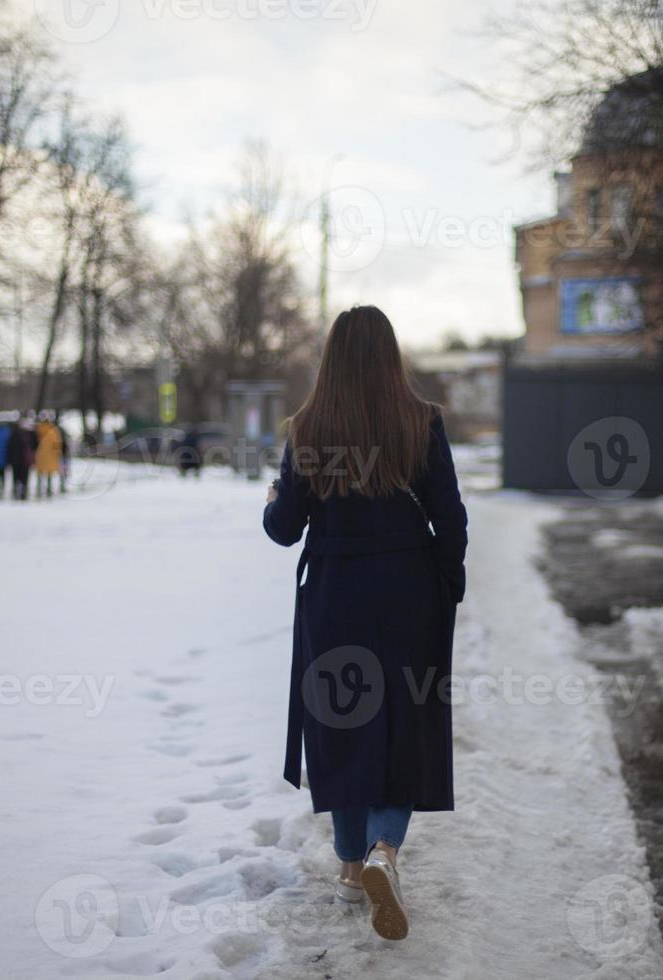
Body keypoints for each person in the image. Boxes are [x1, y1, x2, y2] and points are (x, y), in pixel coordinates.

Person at [262, 305, 467, 942]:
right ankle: (385, 852)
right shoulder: (422, 421)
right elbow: (450, 517)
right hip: (407, 592)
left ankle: (352, 866)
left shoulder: (308, 427)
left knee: (343, 723)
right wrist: (446, 591)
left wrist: (274, 498)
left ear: (332, 358)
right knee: (403, 725)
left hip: (335, 594)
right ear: (390, 355)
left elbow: (284, 528)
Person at [35, 416, 63, 498]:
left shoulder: (38, 430)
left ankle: (39, 490)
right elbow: (57, 444)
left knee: (40, 474)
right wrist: (58, 453)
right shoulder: (53, 431)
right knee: (49, 474)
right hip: (51, 456)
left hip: (40, 456)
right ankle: (48, 491)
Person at [6, 421, 33, 500]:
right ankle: (23, 494)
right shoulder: (29, 436)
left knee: (16, 478)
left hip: (15, 461)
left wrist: (10, 460)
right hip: (25, 461)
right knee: (24, 478)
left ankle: (15, 492)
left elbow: (9, 448)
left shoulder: (13, 435)